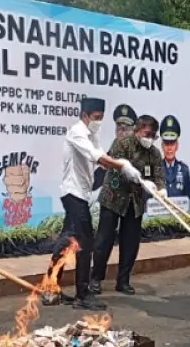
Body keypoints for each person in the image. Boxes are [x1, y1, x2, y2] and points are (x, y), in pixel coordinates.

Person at [50, 97, 142, 310]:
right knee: (85, 244)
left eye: (101, 118)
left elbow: (104, 156)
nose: (98, 122)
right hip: (73, 195)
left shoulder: (93, 134)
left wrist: (125, 164)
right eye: (96, 118)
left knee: (66, 242)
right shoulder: (76, 132)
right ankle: (83, 295)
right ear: (84, 115)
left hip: (81, 194)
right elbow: (96, 157)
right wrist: (122, 167)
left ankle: (51, 288)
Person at [90, 115, 165, 296]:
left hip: (136, 202)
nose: (150, 138)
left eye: (154, 135)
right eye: (148, 133)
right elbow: (115, 164)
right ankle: (95, 279)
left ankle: (123, 281)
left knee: (131, 243)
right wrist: (128, 170)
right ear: (138, 130)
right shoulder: (122, 143)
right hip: (113, 198)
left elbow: (159, 176)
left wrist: (160, 189)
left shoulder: (154, 153)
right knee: (104, 240)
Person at [92, 104, 139, 190]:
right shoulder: (107, 159)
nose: (122, 133)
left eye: (126, 129)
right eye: (119, 128)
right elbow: (92, 186)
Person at [159, 115, 190, 199]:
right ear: (162, 146)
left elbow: (187, 200)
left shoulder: (184, 170)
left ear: (177, 146)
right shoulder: (156, 168)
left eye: (172, 144)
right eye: (166, 144)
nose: (169, 148)